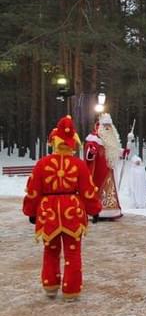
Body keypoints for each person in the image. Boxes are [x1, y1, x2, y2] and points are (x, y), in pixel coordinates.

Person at [22, 115, 101, 301]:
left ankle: (50, 285)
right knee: (73, 252)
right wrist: (94, 209)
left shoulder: (42, 164)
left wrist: (31, 212)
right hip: (72, 212)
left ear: (54, 141)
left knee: (50, 251)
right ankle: (71, 290)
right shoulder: (79, 165)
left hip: (48, 213)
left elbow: (33, 190)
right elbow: (88, 190)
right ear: (73, 142)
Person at [84, 113, 123, 219]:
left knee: (109, 192)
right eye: (105, 126)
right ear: (100, 126)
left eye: (109, 126)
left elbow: (115, 151)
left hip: (110, 171)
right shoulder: (95, 139)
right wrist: (91, 152)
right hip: (99, 173)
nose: (107, 128)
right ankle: (97, 211)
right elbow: (89, 154)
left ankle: (111, 212)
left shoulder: (111, 140)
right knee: (99, 191)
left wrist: (123, 152)